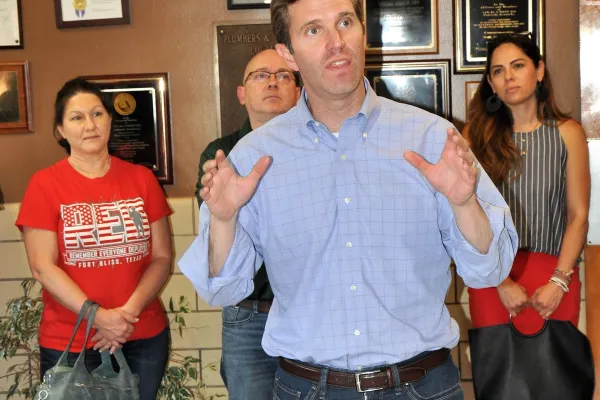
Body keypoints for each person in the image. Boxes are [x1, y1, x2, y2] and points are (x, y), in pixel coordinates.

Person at [180, 0, 518, 398]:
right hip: (306, 388)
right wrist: (223, 220)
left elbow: (489, 271)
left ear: (363, 33)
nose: (336, 42)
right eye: (313, 30)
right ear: (287, 52)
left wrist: (464, 204)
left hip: (420, 386)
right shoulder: (254, 157)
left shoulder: (431, 138)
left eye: (344, 23)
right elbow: (223, 290)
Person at [16, 78, 173, 400]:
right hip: (70, 342)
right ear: (60, 130)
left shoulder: (141, 179)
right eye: (76, 117)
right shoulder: (45, 185)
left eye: (98, 114)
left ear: (110, 120)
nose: (90, 125)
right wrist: (99, 318)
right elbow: (43, 267)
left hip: (142, 334)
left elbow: (162, 258)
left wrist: (124, 316)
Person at [464, 32, 591, 389]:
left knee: (558, 384)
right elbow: (464, 218)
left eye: (518, 66)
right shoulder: (474, 137)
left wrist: (559, 281)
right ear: (490, 82)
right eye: (498, 71)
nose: (509, 77)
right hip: (494, 280)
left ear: (539, 71)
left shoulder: (568, 134)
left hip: (556, 277)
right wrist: (500, 281)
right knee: (502, 385)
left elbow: (578, 216)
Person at [194, 49, 300, 399]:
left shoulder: (318, 150)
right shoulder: (221, 155)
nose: (272, 81)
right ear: (242, 94)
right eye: (260, 75)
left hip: (309, 314)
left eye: (284, 75)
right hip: (248, 317)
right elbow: (221, 232)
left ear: (299, 91)